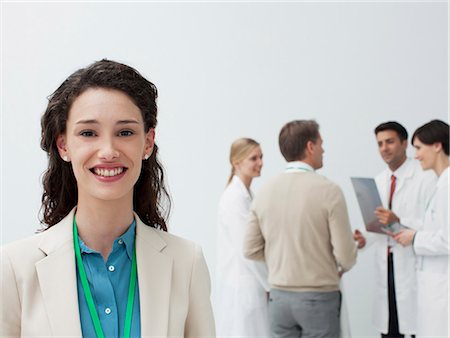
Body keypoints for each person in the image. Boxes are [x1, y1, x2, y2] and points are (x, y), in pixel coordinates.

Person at [0, 59, 215, 337]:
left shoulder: (187, 263)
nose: (108, 151)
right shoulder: (14, 267)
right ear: (64, 144)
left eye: (125, 132)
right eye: (88, 133)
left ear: (147, 142)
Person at [243, 120, 357, 338]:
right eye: (321, 143)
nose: (323, 149)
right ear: (310, 147)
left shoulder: (265, 191)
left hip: (279, 299)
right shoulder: (329, 191)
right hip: (318, 298)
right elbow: (346, 257)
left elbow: (249, 249)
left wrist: (282, 257)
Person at [353, 121, 436, 338]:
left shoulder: (425, 176)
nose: (384, 148)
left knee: (415, 327)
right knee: (390, 329)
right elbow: (379, 224)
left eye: (390, 142)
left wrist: (399, 220)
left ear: (405, 143)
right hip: (387, 263)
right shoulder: (379, 180)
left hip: (412, 264)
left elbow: (433, 225)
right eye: (380, 144)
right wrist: (363, 238)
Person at [394, 119, 449, 338]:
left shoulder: (448, 186)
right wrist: (405, 225)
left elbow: (447, 239)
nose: (415, 155)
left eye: (418, 148)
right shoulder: (440, 184)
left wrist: (415, 238)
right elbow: (435, 227)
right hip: (433, 285)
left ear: (437, 145)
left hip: (442, 287)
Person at [215, 138, 270, 337]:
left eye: (261, 157)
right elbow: (247, 250)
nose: (260, 162)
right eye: (253, 158)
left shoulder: (246, 195)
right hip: (244, 287)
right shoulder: (234, 199)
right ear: (237, 163)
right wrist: (270, 284)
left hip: (250, 285)